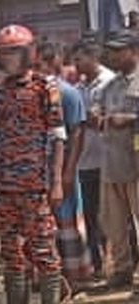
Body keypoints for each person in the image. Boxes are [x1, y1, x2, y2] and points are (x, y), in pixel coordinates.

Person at [0, 24, 66, 304]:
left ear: (29, 53)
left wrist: (56, 182)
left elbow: (58, 137)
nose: (9, 59)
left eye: (14, 53)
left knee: (43, 248)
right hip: (6, 187)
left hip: (36, 184)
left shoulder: (46, 87)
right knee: (10, 250)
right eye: (4, 54)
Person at [39, 39, 92, 284]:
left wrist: (68, 172)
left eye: (40, 65)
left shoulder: (68, 93)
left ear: (53, 63)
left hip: (61, 169)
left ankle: (74, 276)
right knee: (43, 225)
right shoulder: (31, 92)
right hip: (38, 170)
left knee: (66, 220)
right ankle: (48, 276)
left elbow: (77, 133)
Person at [93, 31, 139, 292]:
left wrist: (130, 119)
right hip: (111, 162)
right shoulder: (110, 85)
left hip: (135, 162)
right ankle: (122, 270)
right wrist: (97, 116)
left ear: (134, 51)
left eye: (119, 50)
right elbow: (99, 110)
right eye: (112, 51)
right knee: (113, 222)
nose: (114, 56)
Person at [74, 40, 115, 281]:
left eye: (79, 59)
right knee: (90, 215)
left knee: (110, 215)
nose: (76, 64)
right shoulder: (78, 87)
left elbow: (111, 118)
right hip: (85, 161)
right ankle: (97, 265)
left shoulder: (109, 82)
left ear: (93, 57)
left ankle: (116, 262)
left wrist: (98, 121)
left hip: (109, 159)